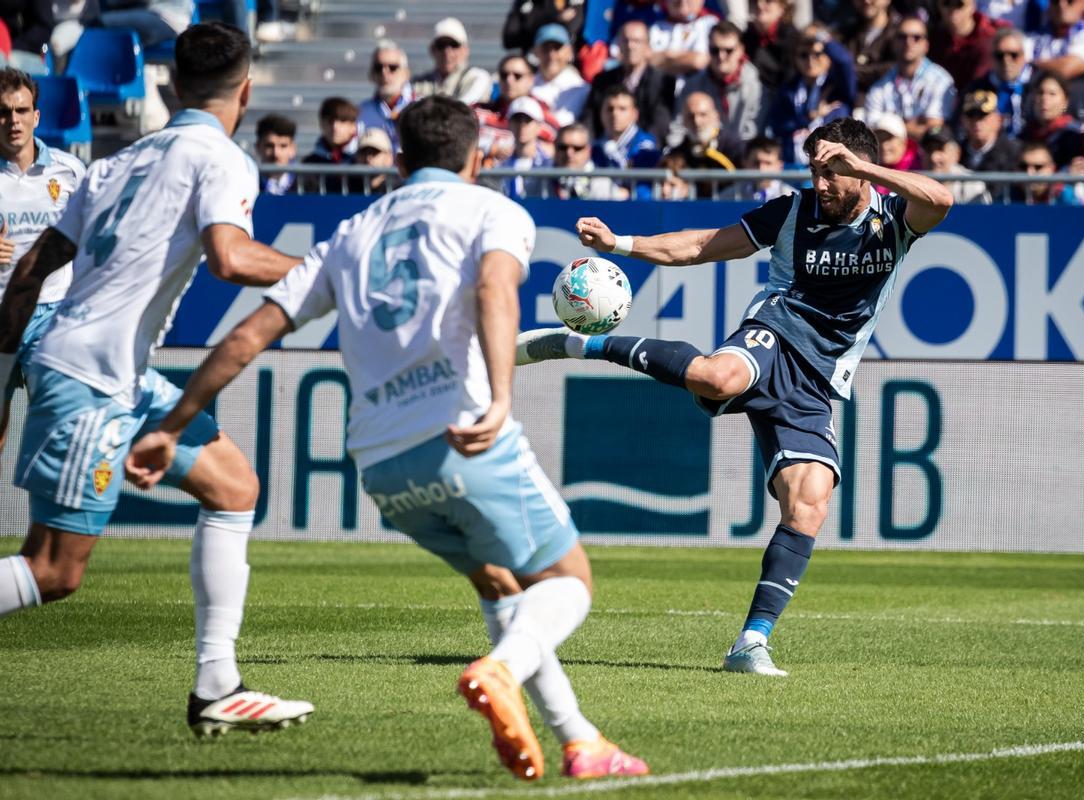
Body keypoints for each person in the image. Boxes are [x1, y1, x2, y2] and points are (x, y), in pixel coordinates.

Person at [126, 94, 650, 781]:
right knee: (569, 580)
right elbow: (496, 289)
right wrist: (499, 397)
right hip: (463, 437)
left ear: (397, 161)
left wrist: (169, 427)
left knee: (498, 583)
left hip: (380, 465)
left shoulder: (350, 233)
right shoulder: (496, 211)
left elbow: (251, 334)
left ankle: (580, 741)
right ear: (480, 158)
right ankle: (500, 672)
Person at [516, 116, 953, 676]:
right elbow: (702, 245)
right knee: (718, 378)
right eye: (814, 170)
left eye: (831, 172)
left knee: (809, 502)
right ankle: (582, 344)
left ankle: (750, 643)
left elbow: (939, 201)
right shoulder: (792, 211)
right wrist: (621, 243)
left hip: (818, 377)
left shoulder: (893, 220)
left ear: (858, 170)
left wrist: (862, 168)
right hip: (774, 332)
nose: (820, 183)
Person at [0, 22, 312, 736]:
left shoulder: (111, 163)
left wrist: (8, 360)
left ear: (171, 87)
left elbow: (29, 268)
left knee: (234, 486)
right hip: (91, 378)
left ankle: (217, 687)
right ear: (247, 90)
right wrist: (322, 275)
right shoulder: (223, 159)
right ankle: (215, 687)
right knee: (53, 572)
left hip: (109, 372)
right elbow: (230, 257)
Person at [0, 68, 86, 460]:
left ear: (37, 115)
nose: (12, 120)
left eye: (21, 110)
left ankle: (49, 524)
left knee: (53, 433)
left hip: (50, 314)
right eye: (3, 112)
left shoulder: (69, 172)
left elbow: (92, 240)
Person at [581, 20, 675, 145]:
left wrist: (643, 149)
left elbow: (660, 124)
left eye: (637, 41)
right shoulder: (602, 81)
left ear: (647, 46)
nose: (630, 46)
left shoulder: (663, 81)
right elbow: (590, 120)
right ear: (618, 45)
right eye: (626, 40)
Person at [864, 16, 957, 141]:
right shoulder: (880, 85)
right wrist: (917, 124)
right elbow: (872, 131)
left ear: (926, 45)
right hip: (890, 155)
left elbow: (934, 130)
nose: (909, 42)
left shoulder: (941, 80)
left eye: (916, 38)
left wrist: (891, 127)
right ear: (894, 42)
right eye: (902, 37)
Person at [673, 20, 766, 144]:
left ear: (741, 50)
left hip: (741, 156)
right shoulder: (692, 85)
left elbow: (751, 134)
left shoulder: (756, 86)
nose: (721, 57)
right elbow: (677, 129)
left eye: (728, 50)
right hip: (698, 153)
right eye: (715, 50)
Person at [766, 32, 851, 164]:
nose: (810, 61)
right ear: (795, 58)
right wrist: (809, 117)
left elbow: (845, 61)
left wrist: (823, 37)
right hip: (793, 165)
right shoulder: (788, 90)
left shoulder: (838, 88)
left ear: (829, 56)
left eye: (817, 54)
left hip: (829, 166)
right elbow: (777, 124)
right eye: (804, 55)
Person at [965, 27, 1032, 137]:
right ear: (991, 58)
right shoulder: (977, 89)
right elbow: (962, 127)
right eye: (1000, 56)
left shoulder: (1040, 84)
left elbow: (1064, 108)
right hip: (993, 149)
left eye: (1013, 55)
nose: (1006, 61)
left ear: (1023, 56)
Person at [410, 18, 492, 107]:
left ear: (465, 50)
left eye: (454, 45)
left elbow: (462, 110)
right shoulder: (418, 83)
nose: (447, 52)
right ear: (432, 50)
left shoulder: (477, 78)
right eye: (441, 45)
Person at [929, 0, 1008, 92]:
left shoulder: (994, 35)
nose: (953, 10)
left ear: (972, 6)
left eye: (960, 4)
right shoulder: (929, 38)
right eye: (946, 4)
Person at [357, 41, 412, 154]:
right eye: (378, 67)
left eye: (392, 67)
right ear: (371, 74)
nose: (384, 73)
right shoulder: (361, 113)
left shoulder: (422, 106)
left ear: (406, 73)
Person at [1025, 0, 1084, 82]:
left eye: (1070, 1)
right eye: (1056, 1)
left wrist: (1033, 65)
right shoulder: (1033, 37)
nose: (1061, 6)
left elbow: (1066, 69)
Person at [530, 23, 590, 125]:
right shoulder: (525, 83)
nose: (551, 55)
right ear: (535, 51)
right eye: (546, 48)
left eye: (557, 48)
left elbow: (562, 123)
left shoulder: (580, 88)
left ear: (569, 52)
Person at [552, 123, 627, 199]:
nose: (569, 153)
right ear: (555, 147)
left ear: (588, 150)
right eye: (563, 147)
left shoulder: (602, 184)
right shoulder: (542, 182)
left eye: (577, 148)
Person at [743, 0, 802, 94]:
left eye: (768, 1)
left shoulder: (792, 39)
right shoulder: (746, 38)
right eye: (754, 1)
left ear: (782, 8)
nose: (759, 5)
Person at [501, 96, 555, 198]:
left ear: (539, 126)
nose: (522, 126)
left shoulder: (549, 164)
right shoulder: (500, 164)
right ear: (509, 124)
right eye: (517, 120)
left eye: (527, 120)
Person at [303, 96, 358, 193]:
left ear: (353, 126)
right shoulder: (309, 163)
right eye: (330, 121)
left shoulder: (362, 159)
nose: (335, 127)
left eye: (342, 121)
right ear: (321, 124)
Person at [922, 127, 990, 203]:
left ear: (956, 153)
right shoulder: (914, 183)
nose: (933, 157)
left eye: (940, 149)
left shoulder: (972, 184)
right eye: (928, 150)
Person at [254, 114, 298, 196]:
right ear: (257, 147)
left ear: (293, 149)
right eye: (269, 146)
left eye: (283, 146)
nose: (276, 153)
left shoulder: (310, 185)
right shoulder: (247, 182)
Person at [346, 127, 395, 194]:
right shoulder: (346, 187)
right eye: (363, 152)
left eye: (375, 152)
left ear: (389, 158)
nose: (368, 158)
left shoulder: (398, 189)